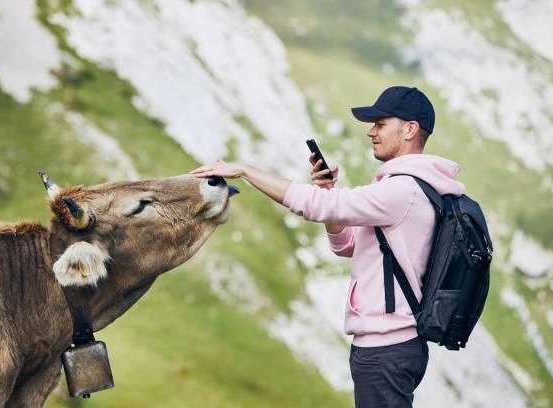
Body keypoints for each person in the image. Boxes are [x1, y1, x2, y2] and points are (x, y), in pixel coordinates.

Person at [190, 86, 465, 407]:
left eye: (380, 124)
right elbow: (347, 244)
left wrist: (246, 171)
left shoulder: (403, 190)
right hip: (388, 344)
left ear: (409, 129)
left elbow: (314, 205)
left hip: (386, 346)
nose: (370, 132)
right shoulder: (406, 188)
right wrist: (330, 192)